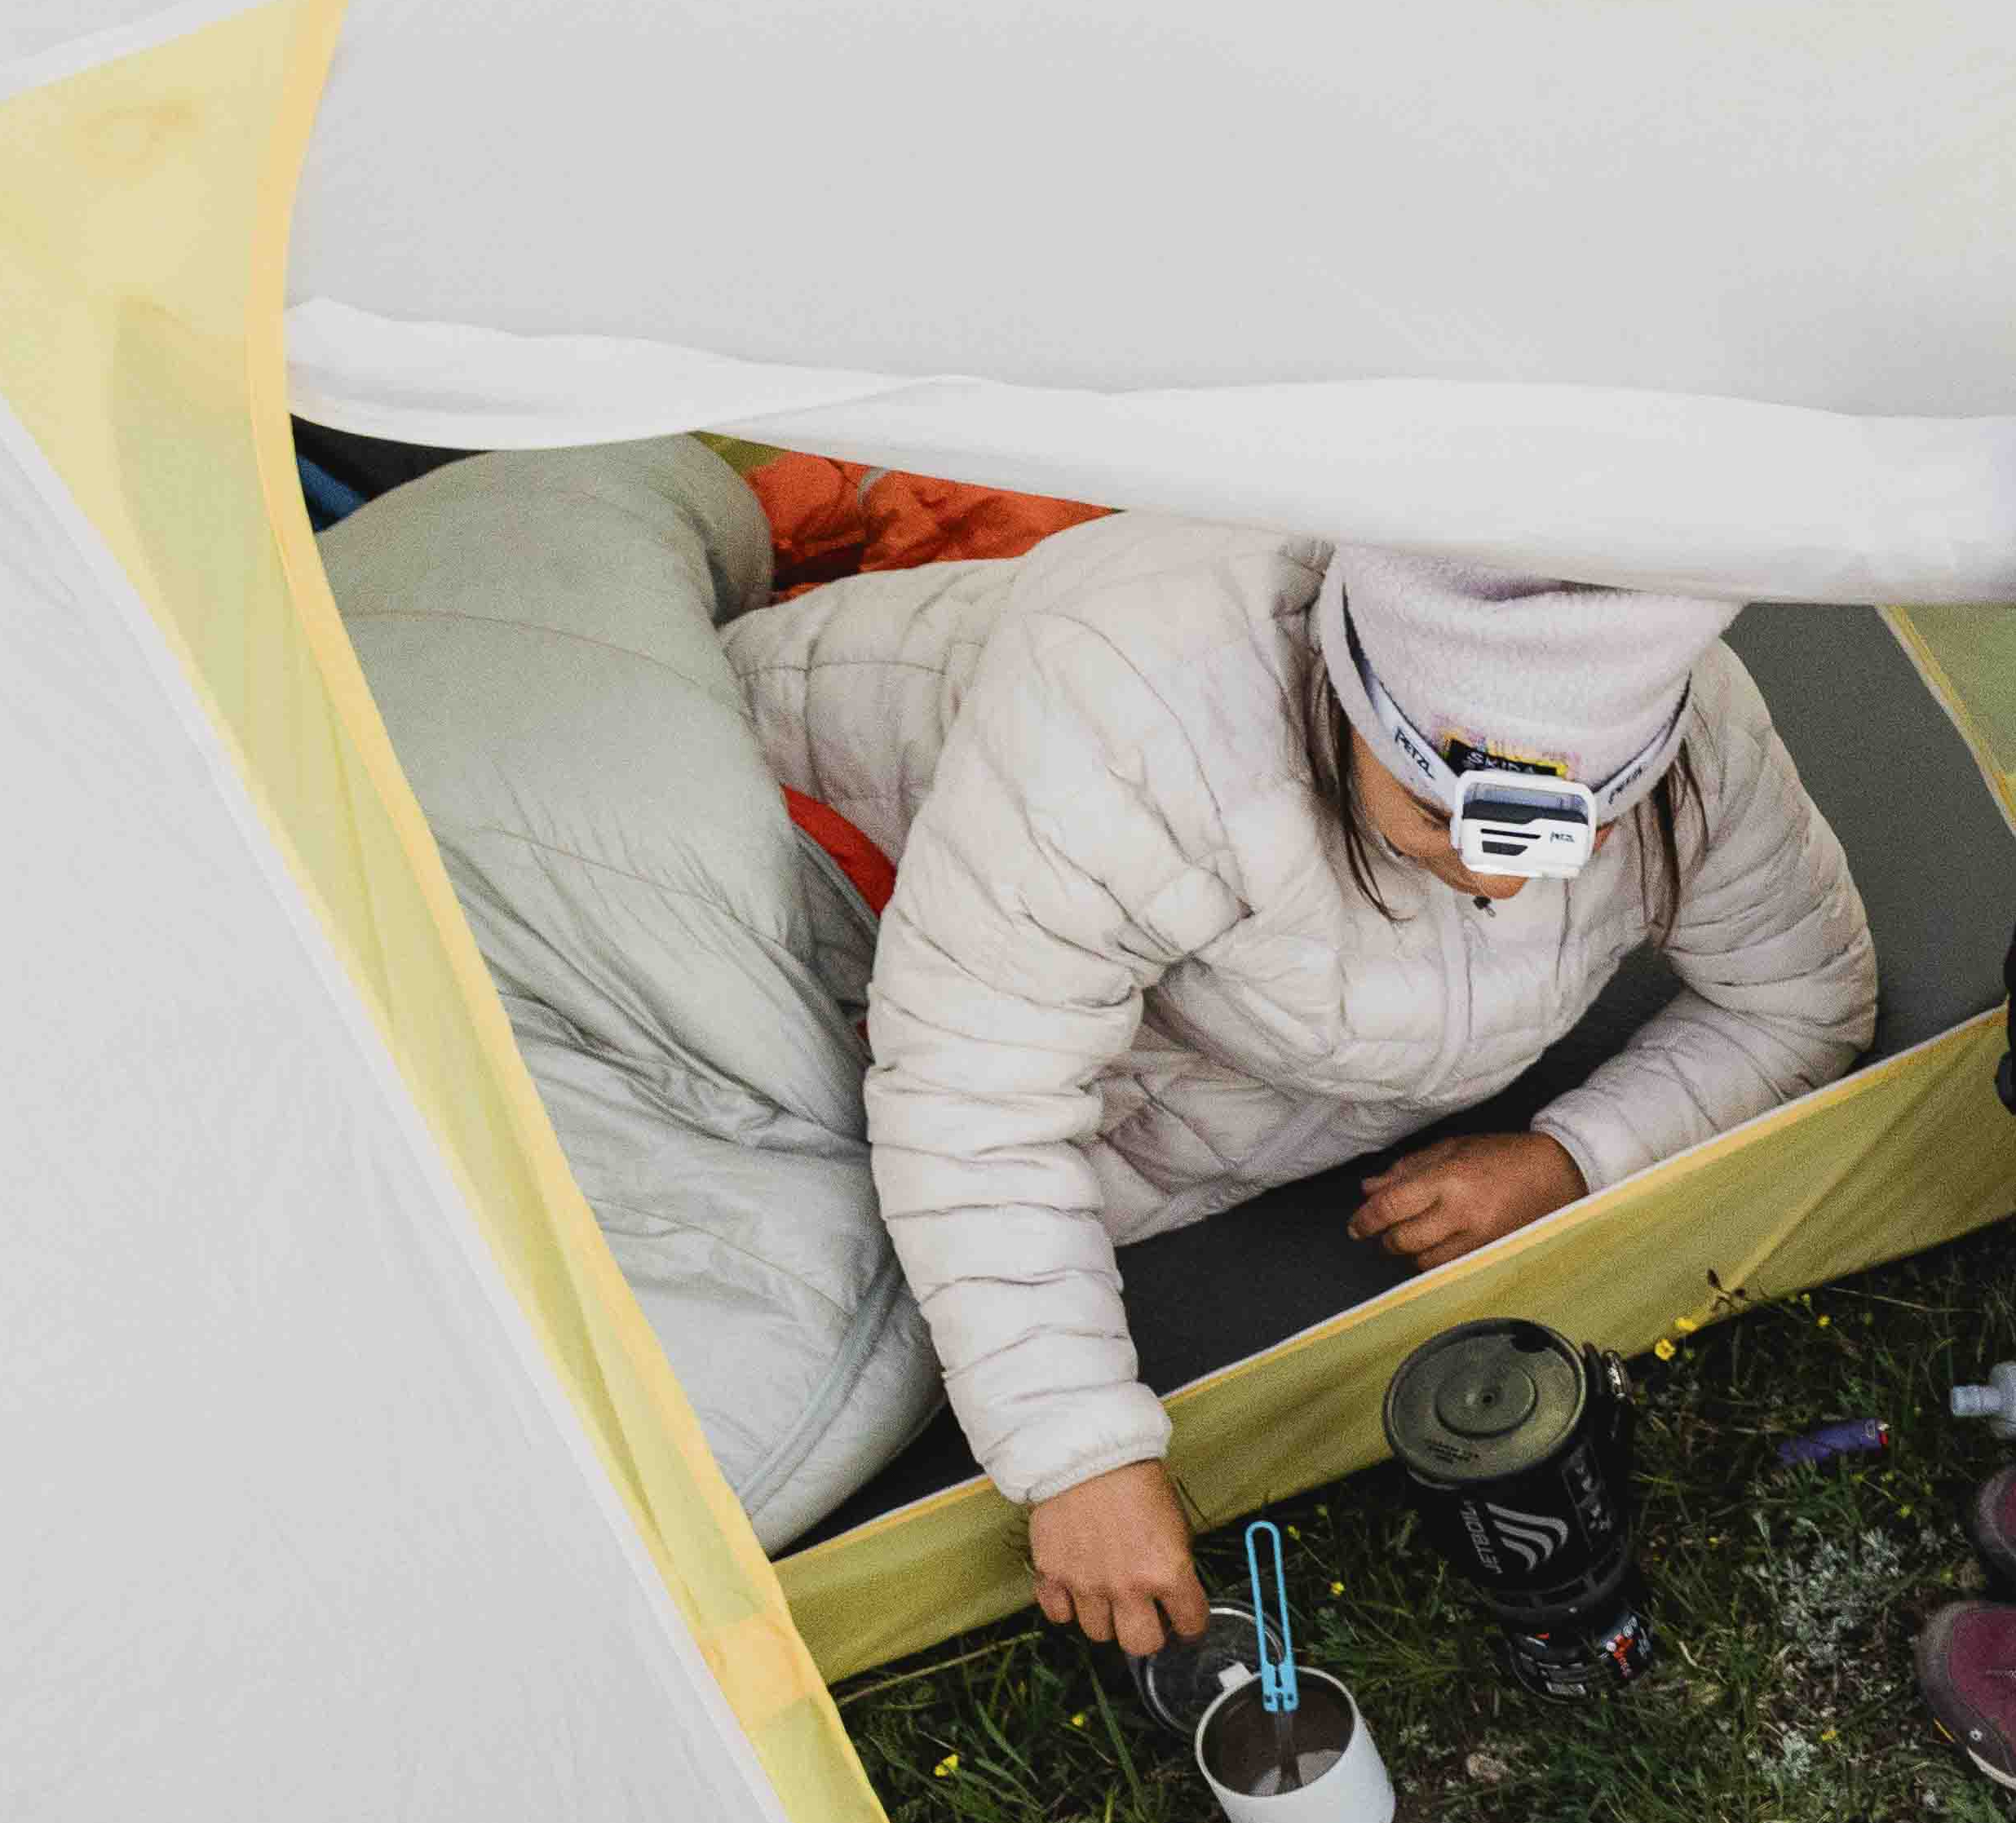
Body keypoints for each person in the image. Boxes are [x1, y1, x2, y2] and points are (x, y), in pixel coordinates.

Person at [727, 522, 1872, 1655]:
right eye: (1443, 816)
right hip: (791, 831)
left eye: (1566, 832)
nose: (1500, 880)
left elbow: (1805, 998)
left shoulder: (1694, 739)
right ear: (1355, 708)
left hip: (1103, 1024)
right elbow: (973, 1100)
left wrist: (1573, 1157)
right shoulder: (1136, 718)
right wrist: (1077, 1455)